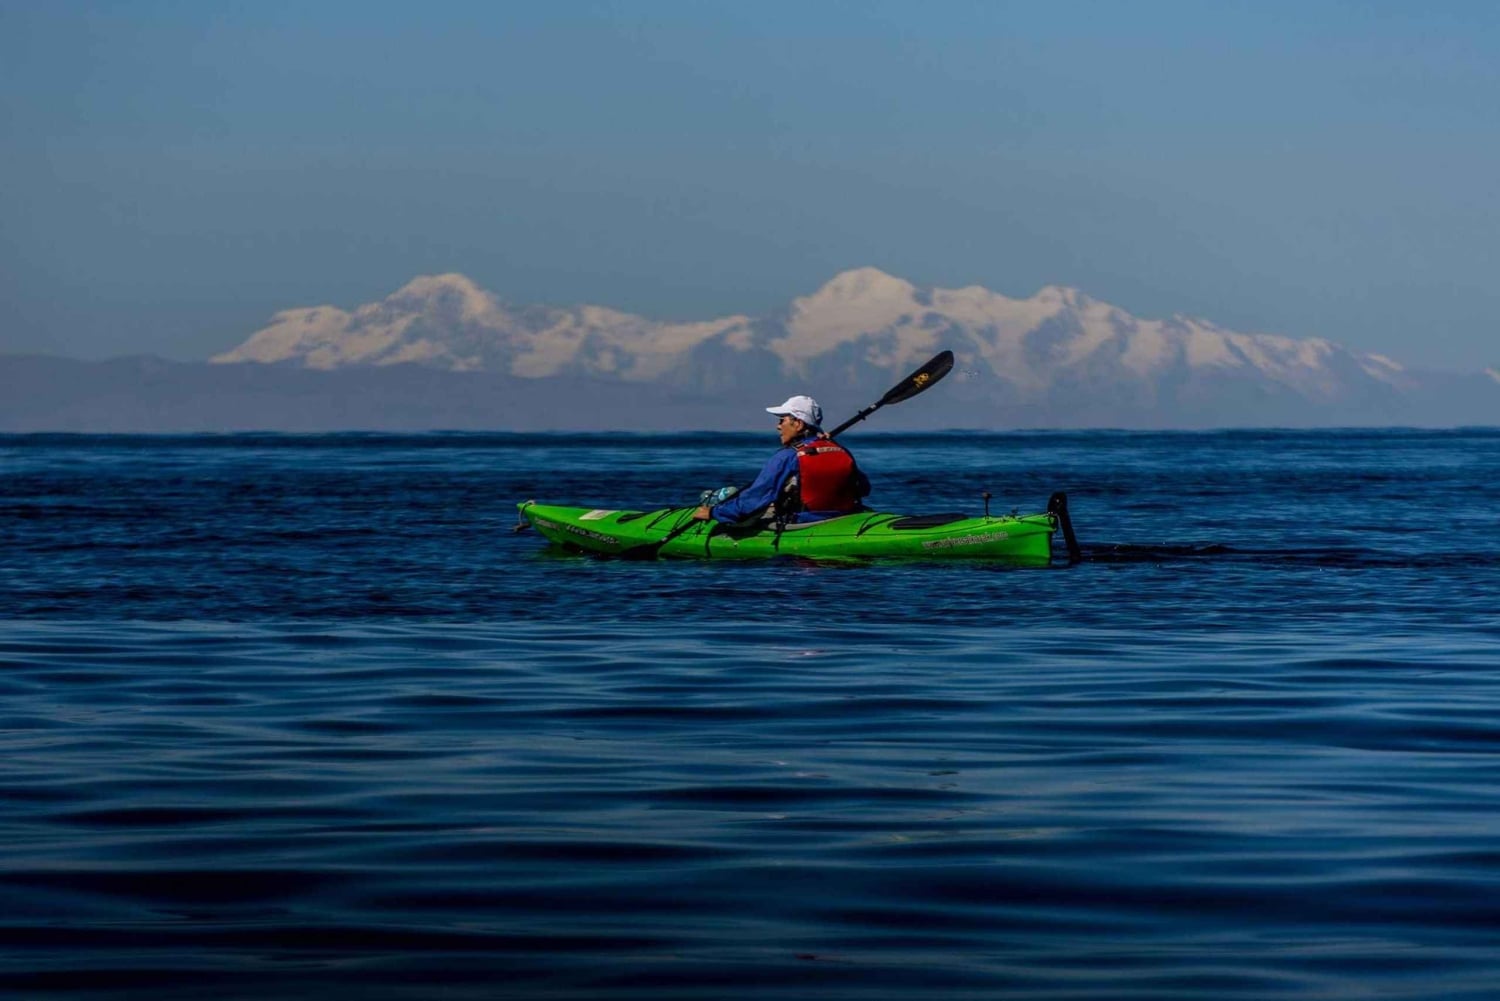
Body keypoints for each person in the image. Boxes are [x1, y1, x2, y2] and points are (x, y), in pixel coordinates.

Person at [692, 395, 869, 525]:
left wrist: (715, 512)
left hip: (802, 521)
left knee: (736, 503)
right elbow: (864, 488)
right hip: (843, 516)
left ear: (798, 424)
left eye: (782, 420)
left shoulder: (786, 456)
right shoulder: (839, 449)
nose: (778, 426)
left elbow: (756, 499)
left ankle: (711, 503)